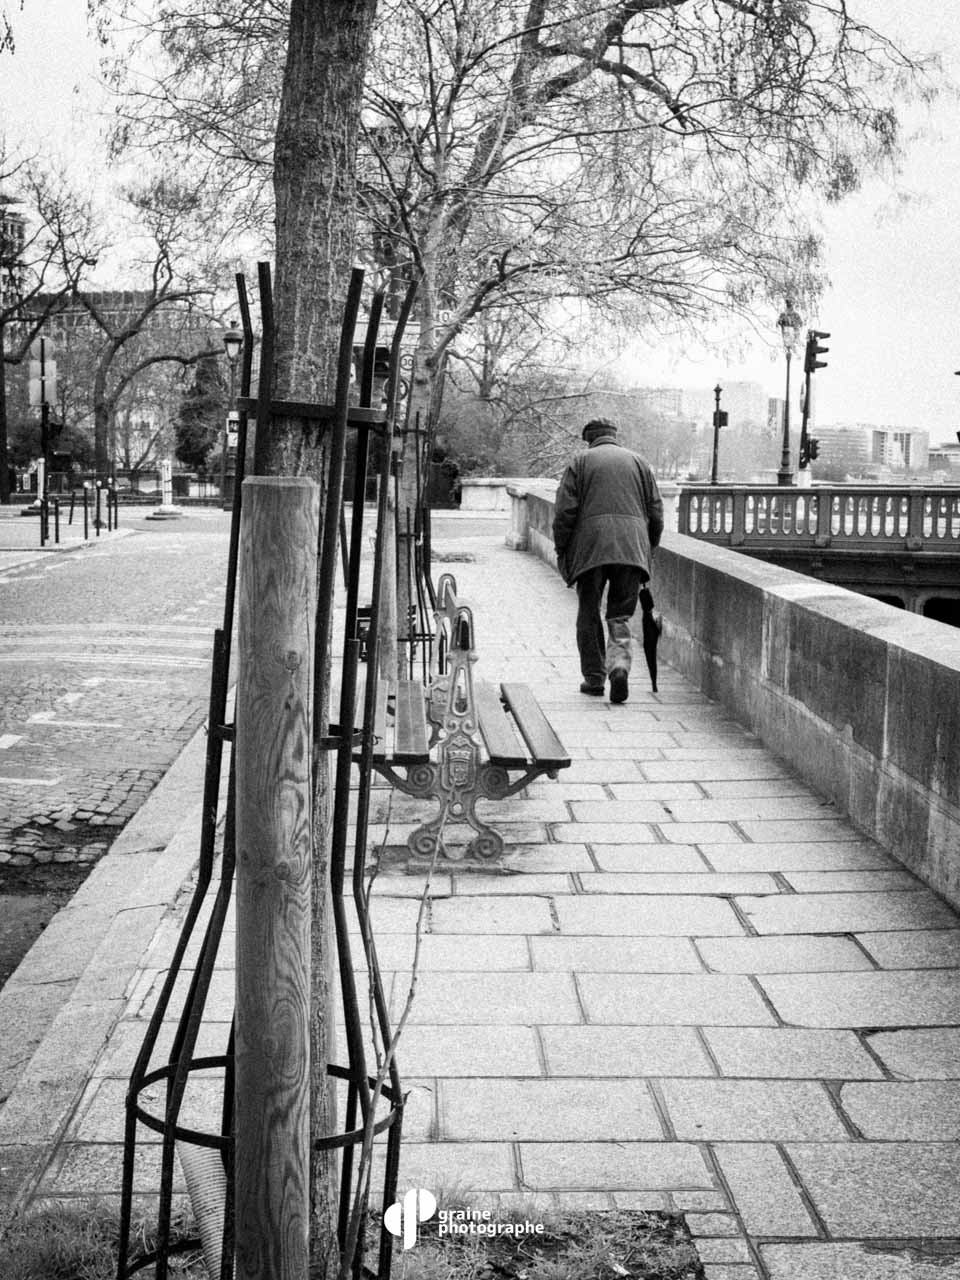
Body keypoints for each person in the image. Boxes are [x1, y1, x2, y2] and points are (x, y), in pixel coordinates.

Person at [552, 418, 663, 704]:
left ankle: (594, 678)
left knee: (588, 612)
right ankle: (619, 667)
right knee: (619, 615)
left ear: (589, 439)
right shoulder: (640, 463)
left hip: (590, 548)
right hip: (631, 548)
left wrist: (562, 548)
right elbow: (656, 511)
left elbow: (565, 511)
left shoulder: (581, 462)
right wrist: (647, 547)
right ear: (615, 436)